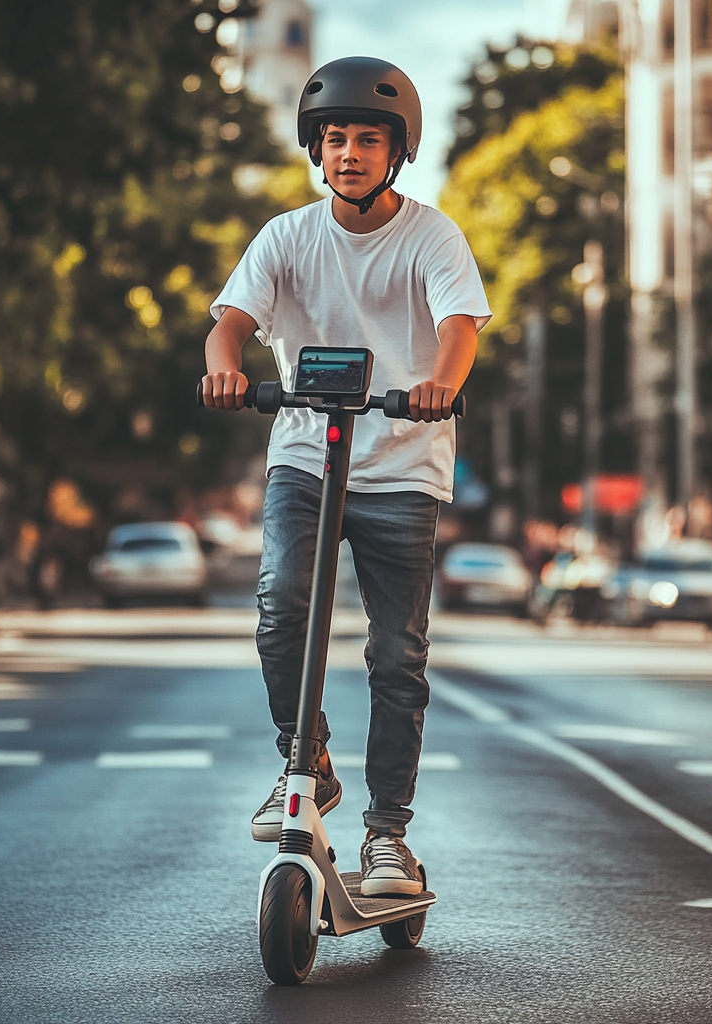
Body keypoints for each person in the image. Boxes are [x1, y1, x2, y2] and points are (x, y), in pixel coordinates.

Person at [200, 57, 490, 896]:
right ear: (316, 150)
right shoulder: (287, 237)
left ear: (397, 153)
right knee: (281, 602)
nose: (351, 152)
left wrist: (443, 380)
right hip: (305, 452)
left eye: (369, 138)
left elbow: (461, 324)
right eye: (337, 138)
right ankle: (309, 763)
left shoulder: (432, 236)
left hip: (402, 465)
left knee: (396, 654)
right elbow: (230, 324)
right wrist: (224, 367)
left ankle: (387, 837)